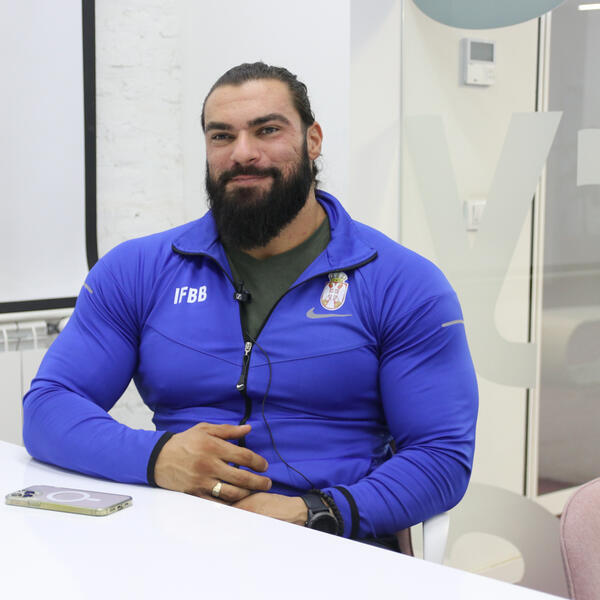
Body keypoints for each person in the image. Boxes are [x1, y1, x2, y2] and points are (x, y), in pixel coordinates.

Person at [23, 62, 478, 546]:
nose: (243, 153)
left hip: (331, 545)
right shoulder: (136, 270)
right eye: (222, 136)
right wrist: (158, 457)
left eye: (267, 130)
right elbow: (49, 407)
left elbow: (441, 457)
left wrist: (312, 512)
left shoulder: (404, 284)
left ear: (313, 141)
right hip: (175, 540)